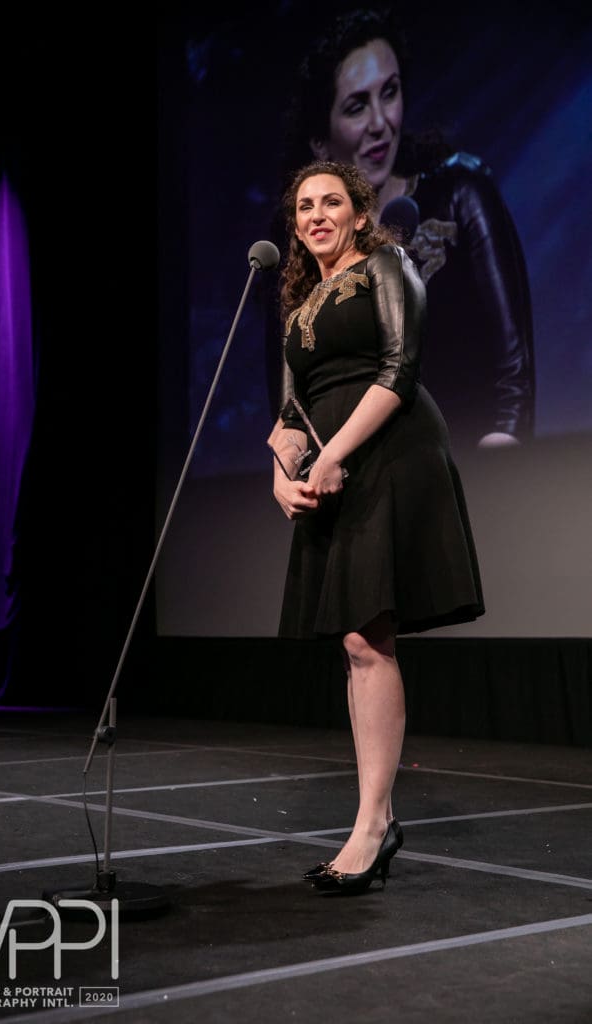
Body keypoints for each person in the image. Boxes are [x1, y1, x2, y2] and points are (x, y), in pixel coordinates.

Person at [267, 159, 484, 894]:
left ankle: (368, 827)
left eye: (332, 202)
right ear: (294, 224)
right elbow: (288, 415)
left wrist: (332, 456)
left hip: (387, 453)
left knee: (367, 632)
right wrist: (282, 470)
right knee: (356, 641)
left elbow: (398, 369)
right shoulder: (296, 307)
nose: (317, 214)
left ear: (359, 214)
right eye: (304, 207)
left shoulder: (386, 265)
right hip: (328, 467)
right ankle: (375, 820)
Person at [267, 5, 535, 452]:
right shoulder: (300, 240)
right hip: (350, 487)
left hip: (467, 473)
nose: (380, 123)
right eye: (357, 106)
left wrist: (493, 479)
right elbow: (288, 404)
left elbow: (513, 375)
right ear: (319, 138)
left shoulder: (460, 194)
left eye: (389, 93)